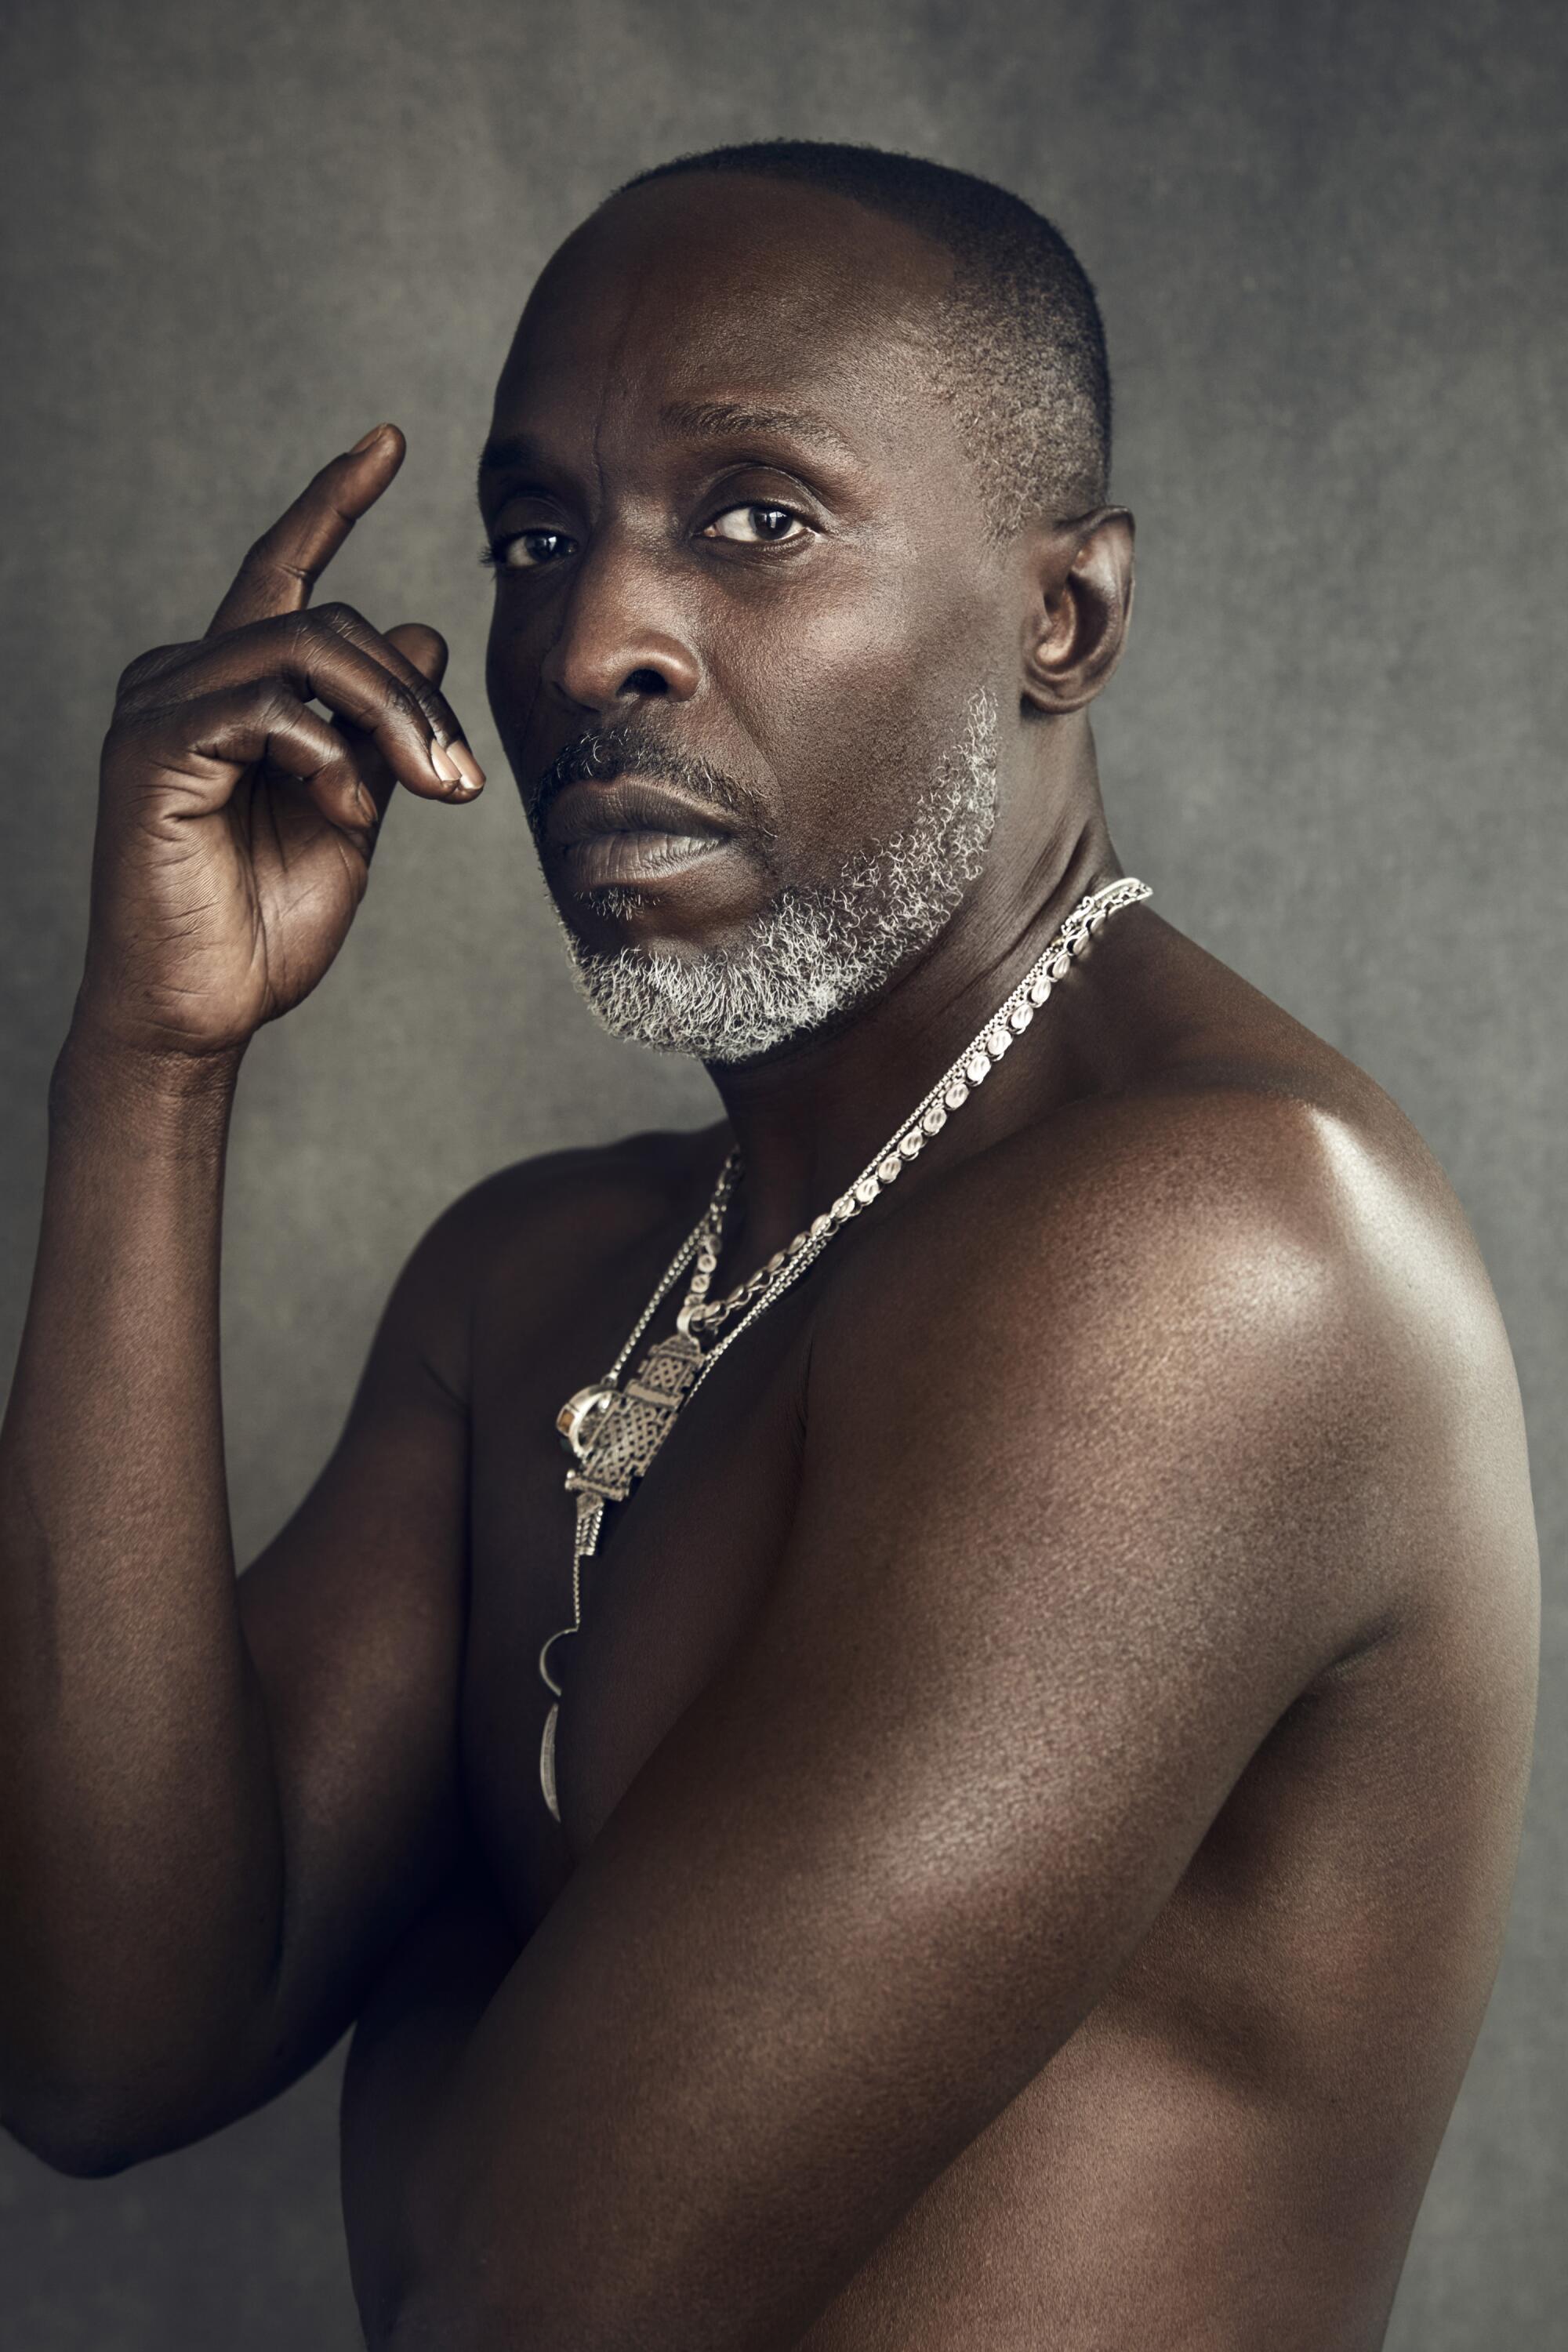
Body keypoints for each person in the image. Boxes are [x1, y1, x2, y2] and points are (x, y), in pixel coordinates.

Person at [0, 140, 1539, 2352]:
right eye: (539, 537)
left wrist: (437, 1960)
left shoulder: (1221, 1263)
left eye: (753, 518)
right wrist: (147, 1068)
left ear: (1064, 619)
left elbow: (514, 2305)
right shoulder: (534, 1283)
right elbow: (98, 2046)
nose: (590, 637)